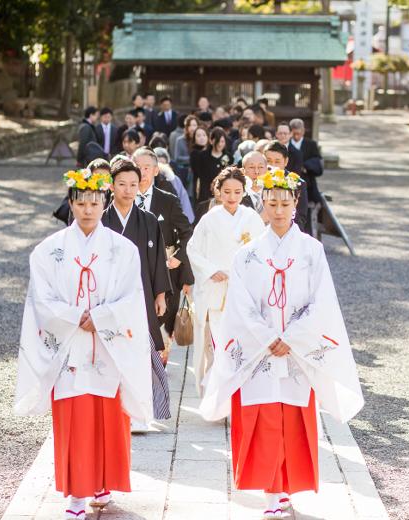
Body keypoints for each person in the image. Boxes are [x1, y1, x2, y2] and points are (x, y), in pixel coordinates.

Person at [199, 169, 364, 519]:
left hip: (296, 353)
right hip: (259, 351)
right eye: (271, 202)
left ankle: (286, 488)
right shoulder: (247, 255)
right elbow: (240, 307)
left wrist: (291, 338)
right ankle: (271, 491)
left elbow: (322, 303)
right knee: (263, 419)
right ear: (262, 204)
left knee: (291, 419)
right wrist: (268, 337)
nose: (278, 210)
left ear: (295, 204)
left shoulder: (311, 251)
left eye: (285, 203)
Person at [15, 165, 153, 519]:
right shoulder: (50, 250)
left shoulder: (123, 249)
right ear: (71, 204)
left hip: (108, 346)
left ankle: (103, 481)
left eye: (95, 202)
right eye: (81, 202)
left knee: (108, 416)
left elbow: (132, 296)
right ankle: (76, 493)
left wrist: (103, 317)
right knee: (74, 419)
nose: (88, 209)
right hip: (70, 344)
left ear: (104, 201)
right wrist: (77, 316)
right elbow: (41, 299)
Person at [101, 159, 172, 427]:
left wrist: (161, 295)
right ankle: (113, 411)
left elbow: (156, 261)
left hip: (140, 296)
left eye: (133, 184)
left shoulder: (148, 220)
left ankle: (139, 413)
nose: (128, 190)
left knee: (139, 350)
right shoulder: (102, 219)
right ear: (111, 185)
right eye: (122, 184)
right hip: (108, 296)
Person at [186, 167, 265, 395]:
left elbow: (262, 252)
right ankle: (215, 394)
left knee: (239, 346)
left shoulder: (251, 218)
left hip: (241, 291)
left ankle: (233, 394)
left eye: (237, 192)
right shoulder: (209, 219)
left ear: (244, 192)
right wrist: (211, 270)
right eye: (227, 191)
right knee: (217, 347)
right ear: (218, 192)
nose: (232, 197)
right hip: (214, 291)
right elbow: (193, 249)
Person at [132, 147, 195, 350]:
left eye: (147, 167)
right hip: (131, 273)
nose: (142, 172)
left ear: (156, 170)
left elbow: (188, 233)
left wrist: (178, 257)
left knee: (161, 334)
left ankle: (158, 374)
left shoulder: (168, 200)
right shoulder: (123, 199)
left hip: (165, 274)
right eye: (137, 167)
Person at [263, 141, 309, 233]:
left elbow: (300, 218)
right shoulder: (259, 180)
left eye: (277, 162)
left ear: (286, 161)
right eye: (268, 161)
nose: (272, 166)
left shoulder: (297, 183)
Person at [190, 127, 232, 204]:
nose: (220, 144)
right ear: (211, 141)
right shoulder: (202, 156)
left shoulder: (228, 157)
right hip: (206, 193)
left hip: (223, 193)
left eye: (222, 141)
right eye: (217, 141)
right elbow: (199, 175)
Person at [154, 147, 195, 224]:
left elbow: (184, 201)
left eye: (164, 164)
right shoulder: (148, 180)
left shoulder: (174, 179)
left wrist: (185, 222)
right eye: (158, 164)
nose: (161, 167)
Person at [287, 118, 323, 203]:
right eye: (294, 134)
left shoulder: (311, 144)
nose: (296, 136)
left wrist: (306, 166)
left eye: (298, 134)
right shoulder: (287, 144)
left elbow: (317, 161)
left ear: (303, 131)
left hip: (307, 182)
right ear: (291, 132)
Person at [242, 150, 268, 218]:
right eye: (251, 167)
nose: (256, 172)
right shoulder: (238, 194)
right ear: (243, 171)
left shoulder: (274, 192)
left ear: (266, 170)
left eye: (260, 167)